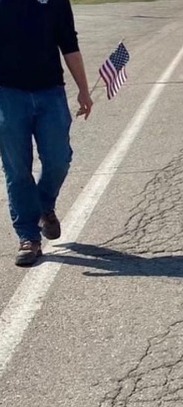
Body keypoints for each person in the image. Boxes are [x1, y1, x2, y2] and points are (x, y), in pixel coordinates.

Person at [0, 0, 93, 266]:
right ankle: (29, 236)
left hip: (50, 92)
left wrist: (84, 91)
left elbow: (69, 44)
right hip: (7, 94)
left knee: (58, 159)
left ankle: (43, 205)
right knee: (17, 169)